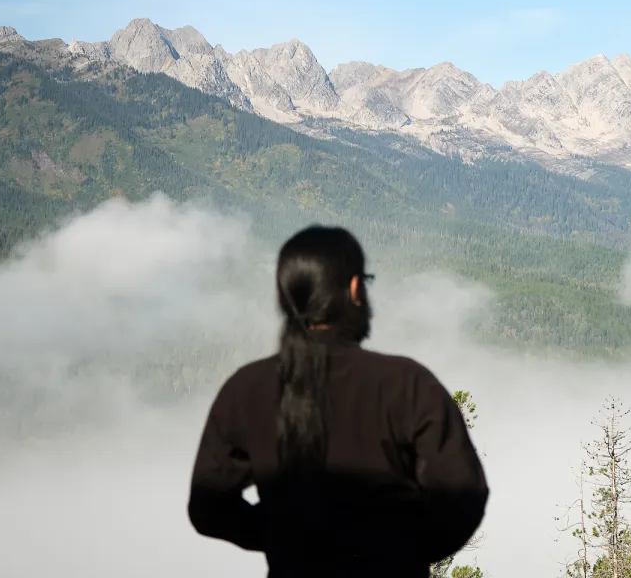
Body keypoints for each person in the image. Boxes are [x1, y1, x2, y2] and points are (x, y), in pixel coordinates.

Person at [188, 225, 489, 577]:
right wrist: (397, 549)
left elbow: (208, 505)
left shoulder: (246, 389)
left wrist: (282, 536)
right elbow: (464, 497)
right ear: (354, 290)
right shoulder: (407, 384)